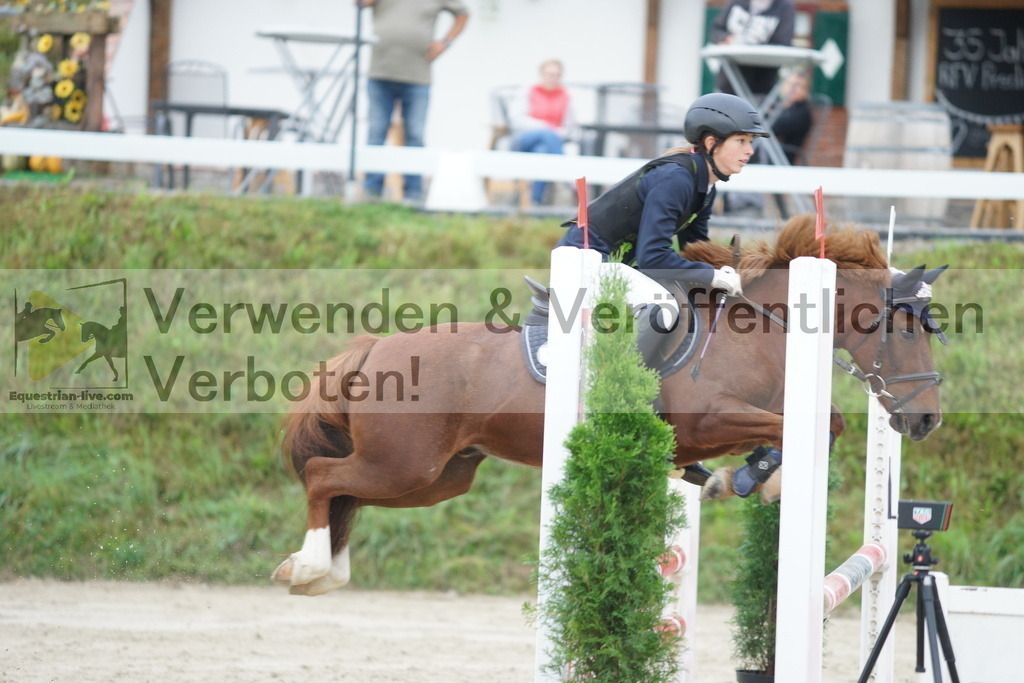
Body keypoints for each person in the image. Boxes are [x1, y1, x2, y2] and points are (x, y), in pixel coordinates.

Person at [555, 92, 767, 486]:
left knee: (690, 303)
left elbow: (691, 249)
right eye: (742, 141)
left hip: (620, 262)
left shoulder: (705, 186)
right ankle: (624, 404)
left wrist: (728, 273)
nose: (749, 151)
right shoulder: (675, 178)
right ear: (710, 143)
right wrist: (709, 277)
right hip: (586, 259)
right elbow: (654, 258)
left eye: (750, 143)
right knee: (665, 308)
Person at [360, 0, 469, 202]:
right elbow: (359, 4)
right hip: (380, 73)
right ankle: (372, 192)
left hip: (418, 77)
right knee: (376, 132)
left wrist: (445, 42)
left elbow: (463, 14)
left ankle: (414, 193)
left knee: (415, 135)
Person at [509, 59, 577, 206]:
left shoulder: (565, 96)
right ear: (541, 74)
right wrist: (543, 127)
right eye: (550, 74)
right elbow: (516, 119)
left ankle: (536, 201)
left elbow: (569, 126)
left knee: (542, 151)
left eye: (557, 75)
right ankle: (567, 178)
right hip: (525, 138)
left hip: (550, 142)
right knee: (546, 133)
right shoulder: (527, 91)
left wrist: (556, 133)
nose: (553, 78)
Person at [709, 0, 795, 101]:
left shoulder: (784, 7)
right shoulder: (737, 2)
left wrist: (749, 44)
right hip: (728, 80)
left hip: (761, 84)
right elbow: (716, 30)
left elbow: (783, 43)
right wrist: (726, 38)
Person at [773, 69, 813, 164]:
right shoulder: (783, 108)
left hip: (779, 161)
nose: (793, 89)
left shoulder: (801, 113)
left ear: (806, 92)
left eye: (800, 86)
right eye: (791, 85)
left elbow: (772, 129)